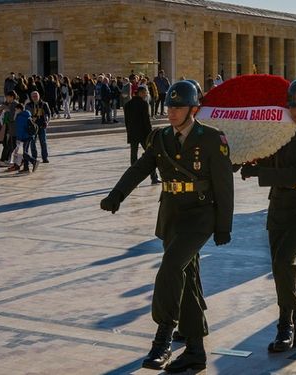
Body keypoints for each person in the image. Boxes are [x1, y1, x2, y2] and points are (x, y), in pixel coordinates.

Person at [100, 80, 234, 372]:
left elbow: (224, 185)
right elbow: (140, 168)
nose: (172, 112)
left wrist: (224, 226)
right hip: (172, 214)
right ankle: (195, 349)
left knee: (172, 267)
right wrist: (117, 194)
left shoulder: (212, 138)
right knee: (185, 277)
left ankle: (163, 334)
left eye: (179, 107)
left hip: (200, 216)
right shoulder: (160, 138)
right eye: (170, 106)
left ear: (194, 109)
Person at [240, 78, 296, 352]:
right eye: (292, 105)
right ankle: (294, 324)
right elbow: (265, 156)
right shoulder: (280, 134)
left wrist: (258, 172)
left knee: (284, 262)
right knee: (280, 270)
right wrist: (244, 157)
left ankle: (285, 325)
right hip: (279, 204)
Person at [124, 86, 160, 184]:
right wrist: (150, 134)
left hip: (132, 133)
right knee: (150, 157)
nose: (146, 94)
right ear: (140, 93)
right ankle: (154, 178)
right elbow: (146, 121)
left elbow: (126, 121)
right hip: (144, 134)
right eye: (145, 93)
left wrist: (129, 132)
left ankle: (132, 179)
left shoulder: (127, 105)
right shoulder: (143, 104)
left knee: (133, 157)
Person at [12, 103, 39, 174]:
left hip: (24, 137)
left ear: (19, 109)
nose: (15, 111)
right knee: (24, 152)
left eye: (16, 110)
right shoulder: (27, 115)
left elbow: (20, 129)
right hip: (28, 136)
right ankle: (26, 168)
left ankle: (34, 161)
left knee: (23, 153)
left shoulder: (21, 117)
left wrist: (19, 139)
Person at [25, 91, 51, 164]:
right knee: (32, 143)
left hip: (42, 126)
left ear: (39, 96)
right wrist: (32, 118)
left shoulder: (44, 104)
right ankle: (34, 158)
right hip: (32, 127)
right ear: (31, 97)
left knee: (43, 142)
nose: (35, 97)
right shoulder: (28, 105)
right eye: (33, 96)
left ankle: (45, 157)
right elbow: (27, 115)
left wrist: (47, 122)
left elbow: (49, 114)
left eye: (36, 96)